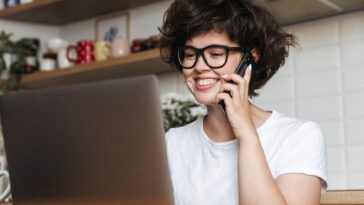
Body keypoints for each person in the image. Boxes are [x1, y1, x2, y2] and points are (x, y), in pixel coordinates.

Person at [159, 0, 327, 204]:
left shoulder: (299, 137)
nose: (199, 66)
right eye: (190, 55)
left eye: (215, 54)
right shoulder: (172, 143)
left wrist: (246, 134)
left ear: (251, 58)